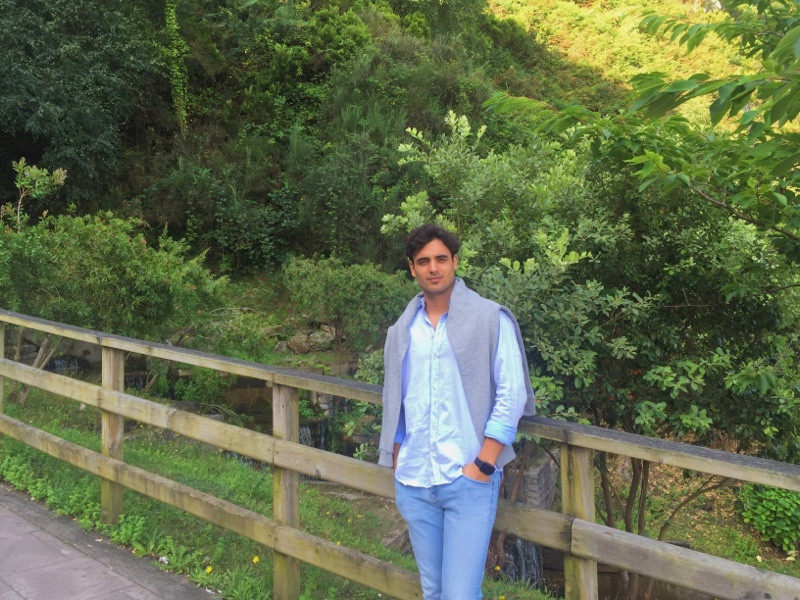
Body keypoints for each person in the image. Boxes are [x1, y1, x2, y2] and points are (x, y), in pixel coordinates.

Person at [379, 224, 536, 600]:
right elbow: (397, 399)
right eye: (423, 261)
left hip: (468, 481)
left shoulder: (490, 318)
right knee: (433, 592)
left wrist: (482, 465)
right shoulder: (402, 330)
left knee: (460, 595)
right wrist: (398, 461)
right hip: (415, 482)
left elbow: (512, 394)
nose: (433, 268)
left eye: (441, 259)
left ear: (455, 262)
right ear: (412, 268)